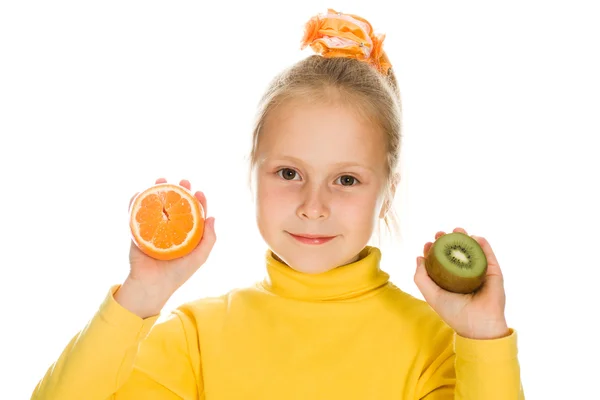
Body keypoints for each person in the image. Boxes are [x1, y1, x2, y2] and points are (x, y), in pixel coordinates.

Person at [31, 8, 525, 400]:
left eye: (347, 179)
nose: (314, 205)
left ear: (388, 191)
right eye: (289, 173)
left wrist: (484, 337)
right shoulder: (198, 337)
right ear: (252, 172)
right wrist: (139, 297)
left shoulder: (438, 347)